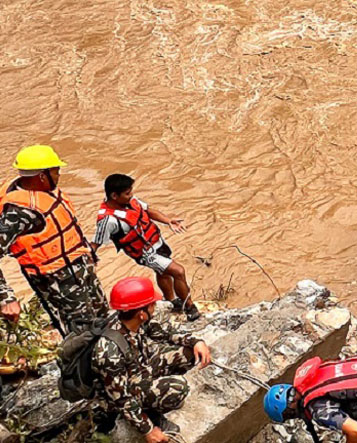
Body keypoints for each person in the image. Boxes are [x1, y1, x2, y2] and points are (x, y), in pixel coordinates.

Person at [0, 145, 108, 335]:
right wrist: (6, 297)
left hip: (81, 269)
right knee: (82, 334)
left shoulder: (44, 191)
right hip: (58, 284)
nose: (59, 176)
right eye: (56, 171)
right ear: (42, 176)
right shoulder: (18, 214)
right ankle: (82, 363)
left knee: (103, 319)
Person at [91, 276, 212, 443]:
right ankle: (152, 413)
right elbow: (120, 398)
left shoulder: (133, 319)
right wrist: (147, 429)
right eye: (152, 305)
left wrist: (196, 341)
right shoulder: (109, 352)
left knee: (189, 354)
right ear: (141, 313)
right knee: (178, 388)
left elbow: (167, 333)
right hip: (122, 390)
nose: (155, 307)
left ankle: (151, 400)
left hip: (140, 368)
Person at [92, 174, 199, 321]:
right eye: (128, 193)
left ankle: (171, 301)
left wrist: (168, 221)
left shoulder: (131, 201)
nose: (132, 195)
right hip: (145, 253)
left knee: (163, 272)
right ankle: (189, 306)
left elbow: (148, 211)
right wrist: (89, 257)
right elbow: (96, 242)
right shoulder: (108, 220)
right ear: (114, 196)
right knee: (178, 271)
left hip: (157, 242)